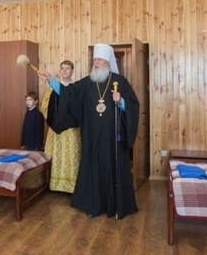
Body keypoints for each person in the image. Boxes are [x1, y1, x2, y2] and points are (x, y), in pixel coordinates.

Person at [40, 43, 139, 219]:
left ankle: (116, 205)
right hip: (91, 135)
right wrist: (52, 81)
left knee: (112, 167)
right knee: (93, 168)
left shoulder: (119, 81)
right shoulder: (87, 82)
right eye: (95, 60)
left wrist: (121, 101)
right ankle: (94, 205)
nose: (96, 63)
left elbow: (133, 105)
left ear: (108, 62)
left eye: (99, 60)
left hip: (112, 138)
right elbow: (69, 93)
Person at [39, 60, 81, 193]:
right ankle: (55, 185)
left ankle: (72, 186)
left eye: (67, 68)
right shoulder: (52, 87)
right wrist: (53, 120)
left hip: (71, 130)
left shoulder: (76, 88)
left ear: (72, 71)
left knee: (71, 157)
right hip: (56, 129)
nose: (64, 71)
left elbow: (79, 108)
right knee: (56, 157)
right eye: (62, 68)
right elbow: (45, 106)